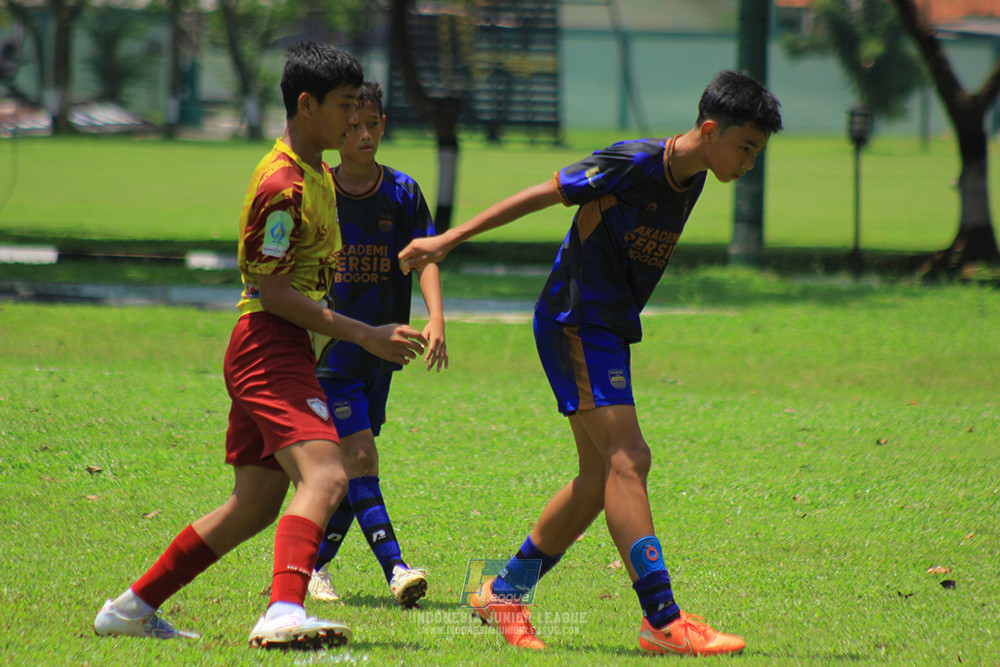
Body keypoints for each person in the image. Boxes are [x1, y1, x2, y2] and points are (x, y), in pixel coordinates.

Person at [399, 70, 782, 656]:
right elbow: (542, 193)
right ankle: (663, 619)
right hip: (576, 322)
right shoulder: (631, 162)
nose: (750, 162)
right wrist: (448, 239)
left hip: (606, 328)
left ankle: (505, 591)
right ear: (710, 129)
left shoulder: (695, 177)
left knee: (599, 479)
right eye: (746, 147)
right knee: (630, 457)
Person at [93, 43, 427, 649]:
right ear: (307, 105)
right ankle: (282, 611)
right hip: (268, 345)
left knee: (254, 504)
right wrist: (364, 334)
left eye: (361, 108)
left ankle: (130, 607)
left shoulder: (318, 173)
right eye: (345, 107)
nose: (357, 121)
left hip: (285, 348)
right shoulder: (283, 187)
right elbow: (269, 290)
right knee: (326, 475)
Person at [307, 81, 447, 608]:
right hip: (331, 354)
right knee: (361, 455)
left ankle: (314, 566)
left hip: (384, 353)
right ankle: (397, 569)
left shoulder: (404, 192)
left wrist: (435, 318)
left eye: (374, 125)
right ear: (337, 132)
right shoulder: (318, 189)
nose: (365, 136)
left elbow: (424, 256)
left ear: (384, 125)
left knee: (352, 468)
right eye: (353, 128)